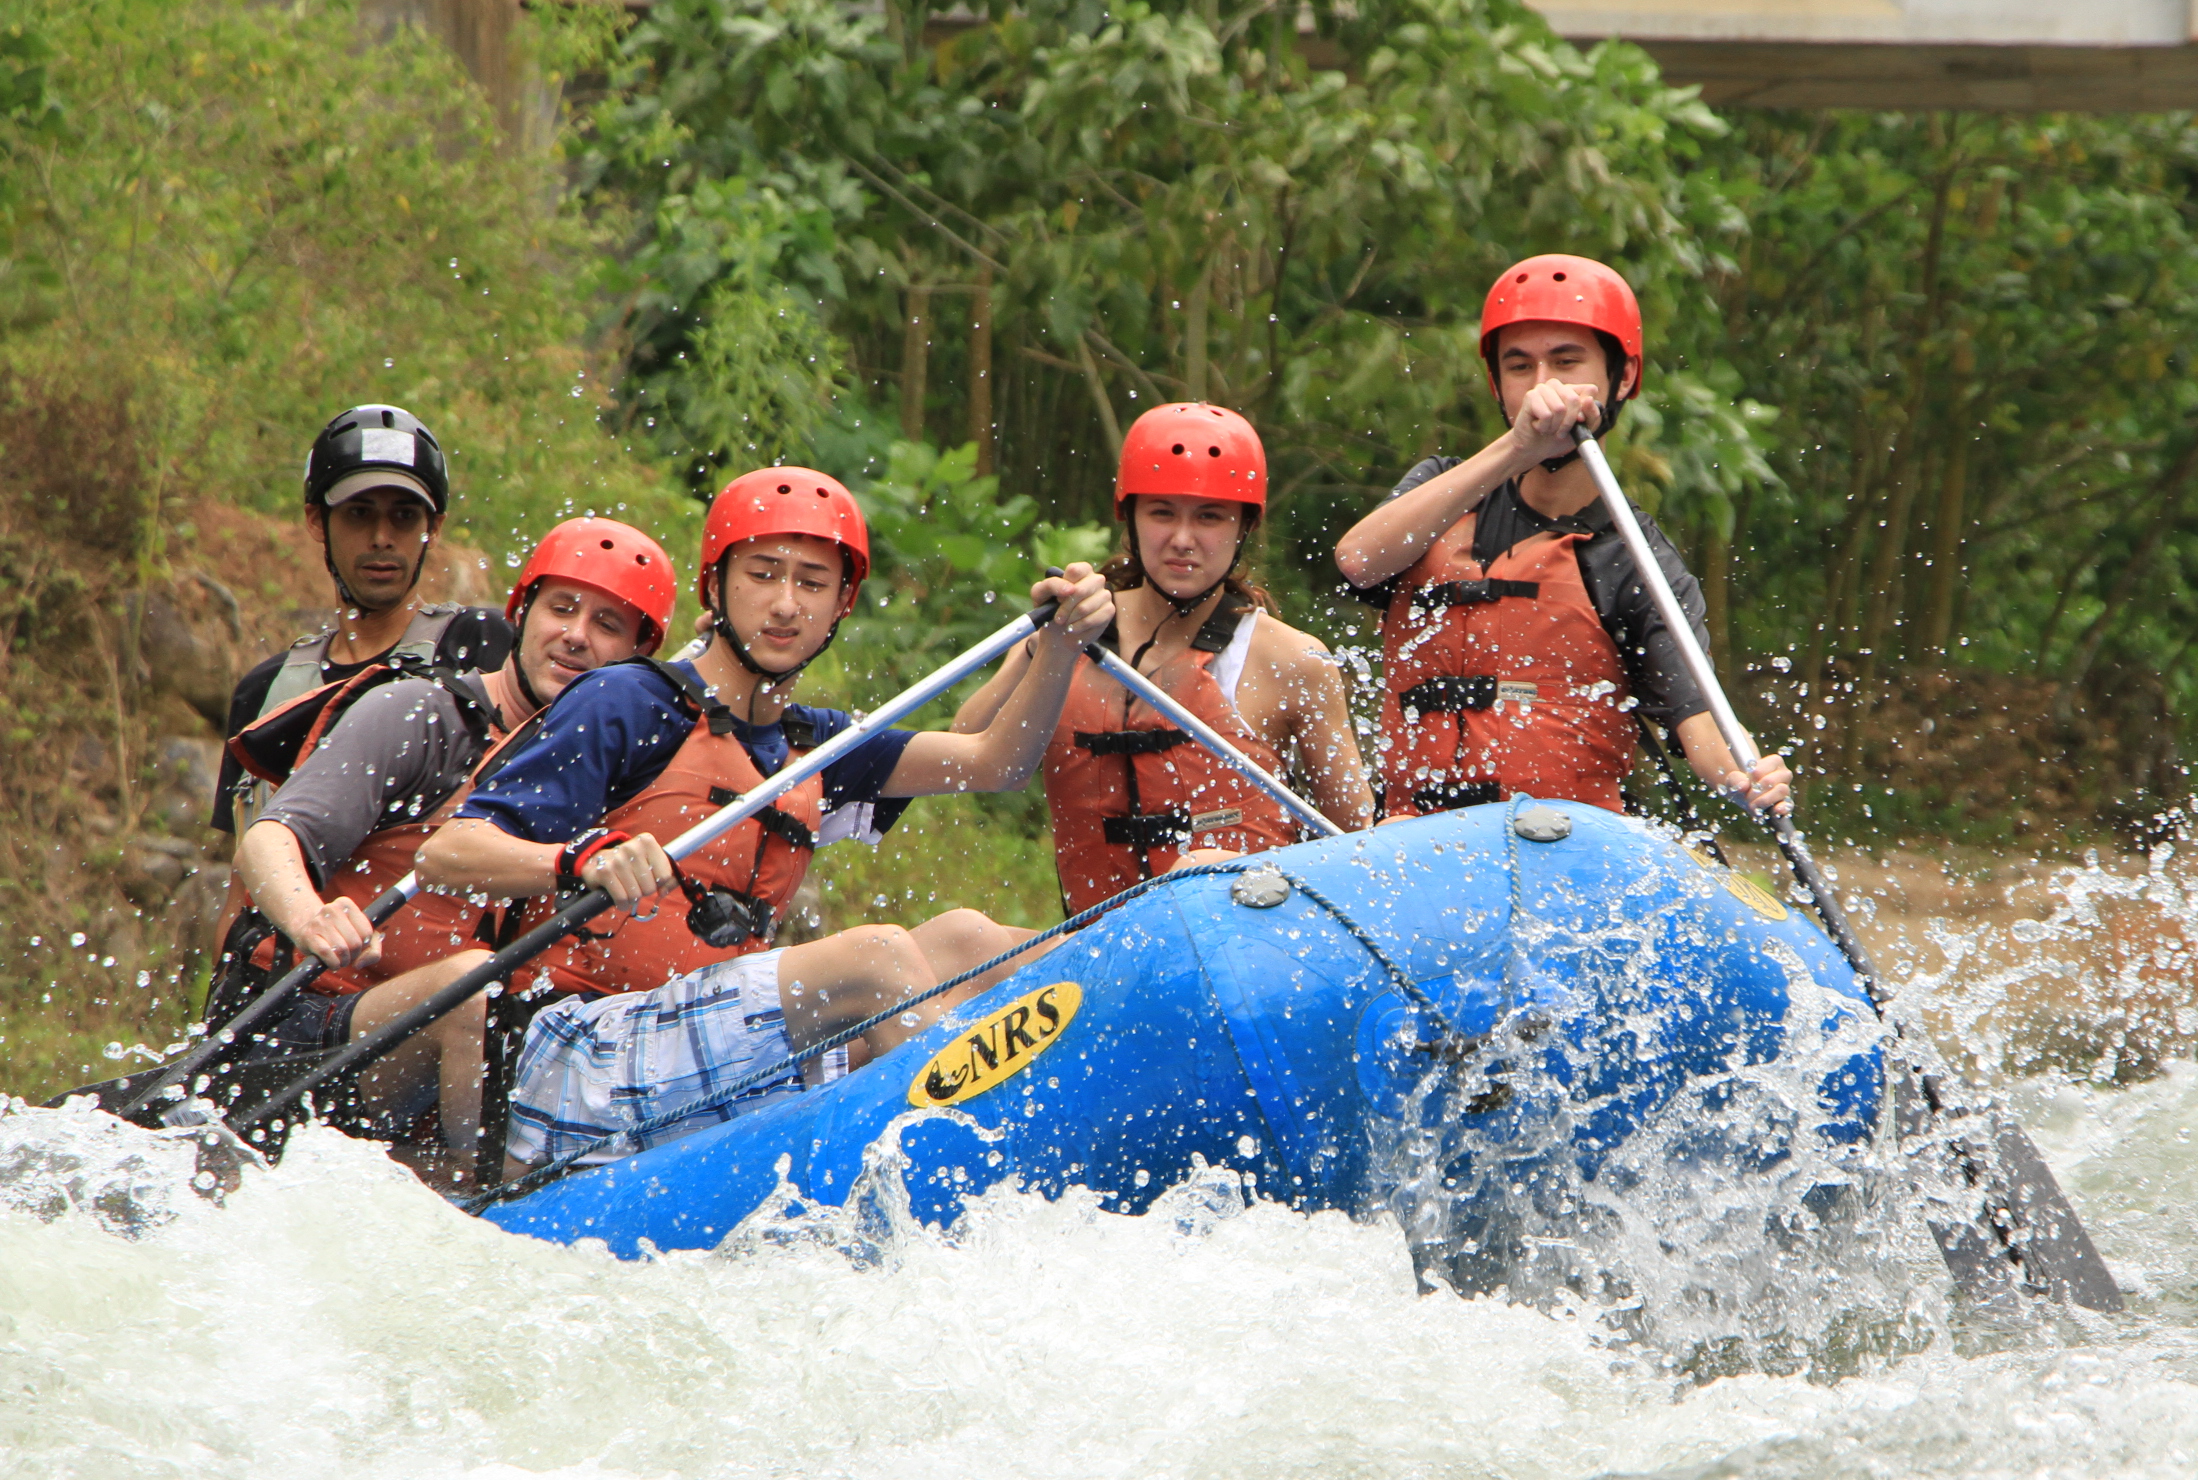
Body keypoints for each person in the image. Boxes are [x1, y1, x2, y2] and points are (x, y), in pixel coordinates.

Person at [414, 466, 1116, 1176]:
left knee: (969, 940)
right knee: (875, 959)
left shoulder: (815, 745)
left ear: (842, 604)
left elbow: (995, 763)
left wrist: (1057, 647)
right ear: (716, 587)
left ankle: (1117, 1067)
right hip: (573, 1061)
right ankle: (990, 1170)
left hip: (705, 1051)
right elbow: (447, 853)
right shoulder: (628, 701)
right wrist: (576, 860)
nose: (785, 604)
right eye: (764, 574)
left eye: (812, 583)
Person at [207, 518, 675, 1184]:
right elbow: (269, 838)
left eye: (607, 624)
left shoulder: (604, 779)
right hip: (299, 1029)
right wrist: (309, 916)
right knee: (469, 988)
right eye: (561, 609)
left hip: (425, 1062)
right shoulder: (422, 716)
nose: (576, 635)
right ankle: (478, 1206)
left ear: (634, 661)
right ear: (522, 613)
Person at [1331, 255, 1793, 821]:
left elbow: (1702, 725)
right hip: (1417, 844)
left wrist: (1749, 774)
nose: (1542, 390)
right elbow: (1358, 561)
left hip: (1562, 854)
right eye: (1520, 367)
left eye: (1567, 362)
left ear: (1622, 377)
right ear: (1497, 384)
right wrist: (1518, 450)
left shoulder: (1634, 561)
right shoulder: (1441, 490)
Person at [953, 403, 1372, 913]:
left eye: (1209, 517)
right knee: (964, 931)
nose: (1182, 539)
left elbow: (1356, 841)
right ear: (1128, 517)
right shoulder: (1072, 630)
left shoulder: (1294, 660)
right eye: (1162, 512)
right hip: (1097, 950)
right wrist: (1041, 651)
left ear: (1244, 527)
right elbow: (964, 758)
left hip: (1245, 945)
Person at [211, 404, 510, 835]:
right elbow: (242, 873)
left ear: (435, 527)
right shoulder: (263, 693)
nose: (381, 538)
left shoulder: (480, 646)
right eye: (359, 513)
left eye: (404, 516)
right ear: (317, 520)